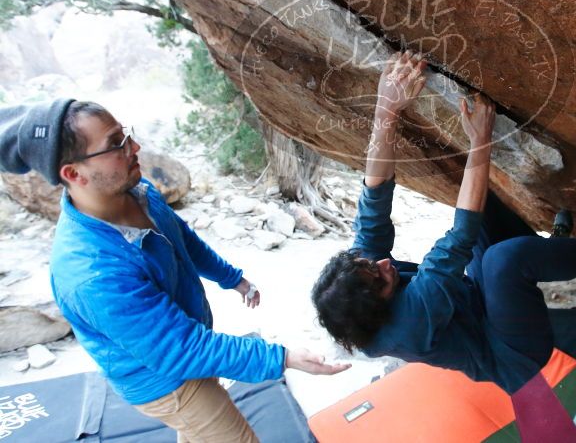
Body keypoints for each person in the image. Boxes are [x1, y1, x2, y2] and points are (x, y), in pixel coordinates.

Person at [0, 99, 350, 442]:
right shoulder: (92, 273)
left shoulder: (137, 192)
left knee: (200, 432)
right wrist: (283, 358)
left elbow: (182, 239)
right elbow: (181, 349)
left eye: (126, 135)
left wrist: (232, 278)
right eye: (116, 145)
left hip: (181, 346)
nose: (134, 147)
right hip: (165, 381)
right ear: (74, 173)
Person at [312, 51, 576, 395]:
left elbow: (375, 195)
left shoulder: (361, 281)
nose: (384, 264)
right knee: (503, 259)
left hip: (476, 299)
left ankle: (550, 252)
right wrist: (480, 140)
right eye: (381, 279)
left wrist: (386, 108)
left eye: (371, 264)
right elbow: (459, 238)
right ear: (380, 309)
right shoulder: (409, 324)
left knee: (480, 207)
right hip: (512, 352)